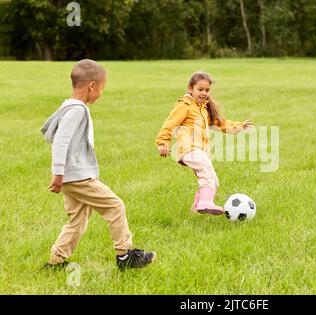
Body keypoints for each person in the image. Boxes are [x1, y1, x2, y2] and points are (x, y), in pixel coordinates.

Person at [40, 59, 155, 270]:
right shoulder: (77, 110)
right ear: (92, 86)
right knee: (115, 206)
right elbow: (60, 142)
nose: (101, 92)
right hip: (76, 177)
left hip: (71, 176)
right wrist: (57, 174)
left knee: (78, 219)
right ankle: (124, 255)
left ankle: (56, 261)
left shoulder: (69, 106)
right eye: (102, 87)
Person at [156, 71, 253, 215]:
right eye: (200, 89)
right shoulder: (185, 105)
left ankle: (196, 208)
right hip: (188, 148)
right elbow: (169, 124)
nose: (204, 93)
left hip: (199, 150)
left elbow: (220, 124)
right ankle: (205, 203)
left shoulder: (203, 108)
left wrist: (239, 126)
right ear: (190, 88)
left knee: (213, 181)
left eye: (207, 90)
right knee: (207, 172)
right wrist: (163, 143)